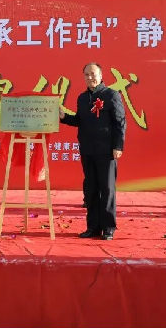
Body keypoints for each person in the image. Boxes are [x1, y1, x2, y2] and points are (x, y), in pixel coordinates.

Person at [60, 63, 126, 240]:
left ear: (101, 75)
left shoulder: (111, 95)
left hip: (106, 150)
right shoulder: (82, 98)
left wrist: (118, 146)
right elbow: (79, 120)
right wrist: (64, 117)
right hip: (87, 149)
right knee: (91, 189)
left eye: (93, 74)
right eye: (87, 75)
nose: (90, 77)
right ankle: (93, 227)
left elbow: (120, 122)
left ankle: (108, 227)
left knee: (107, 189)